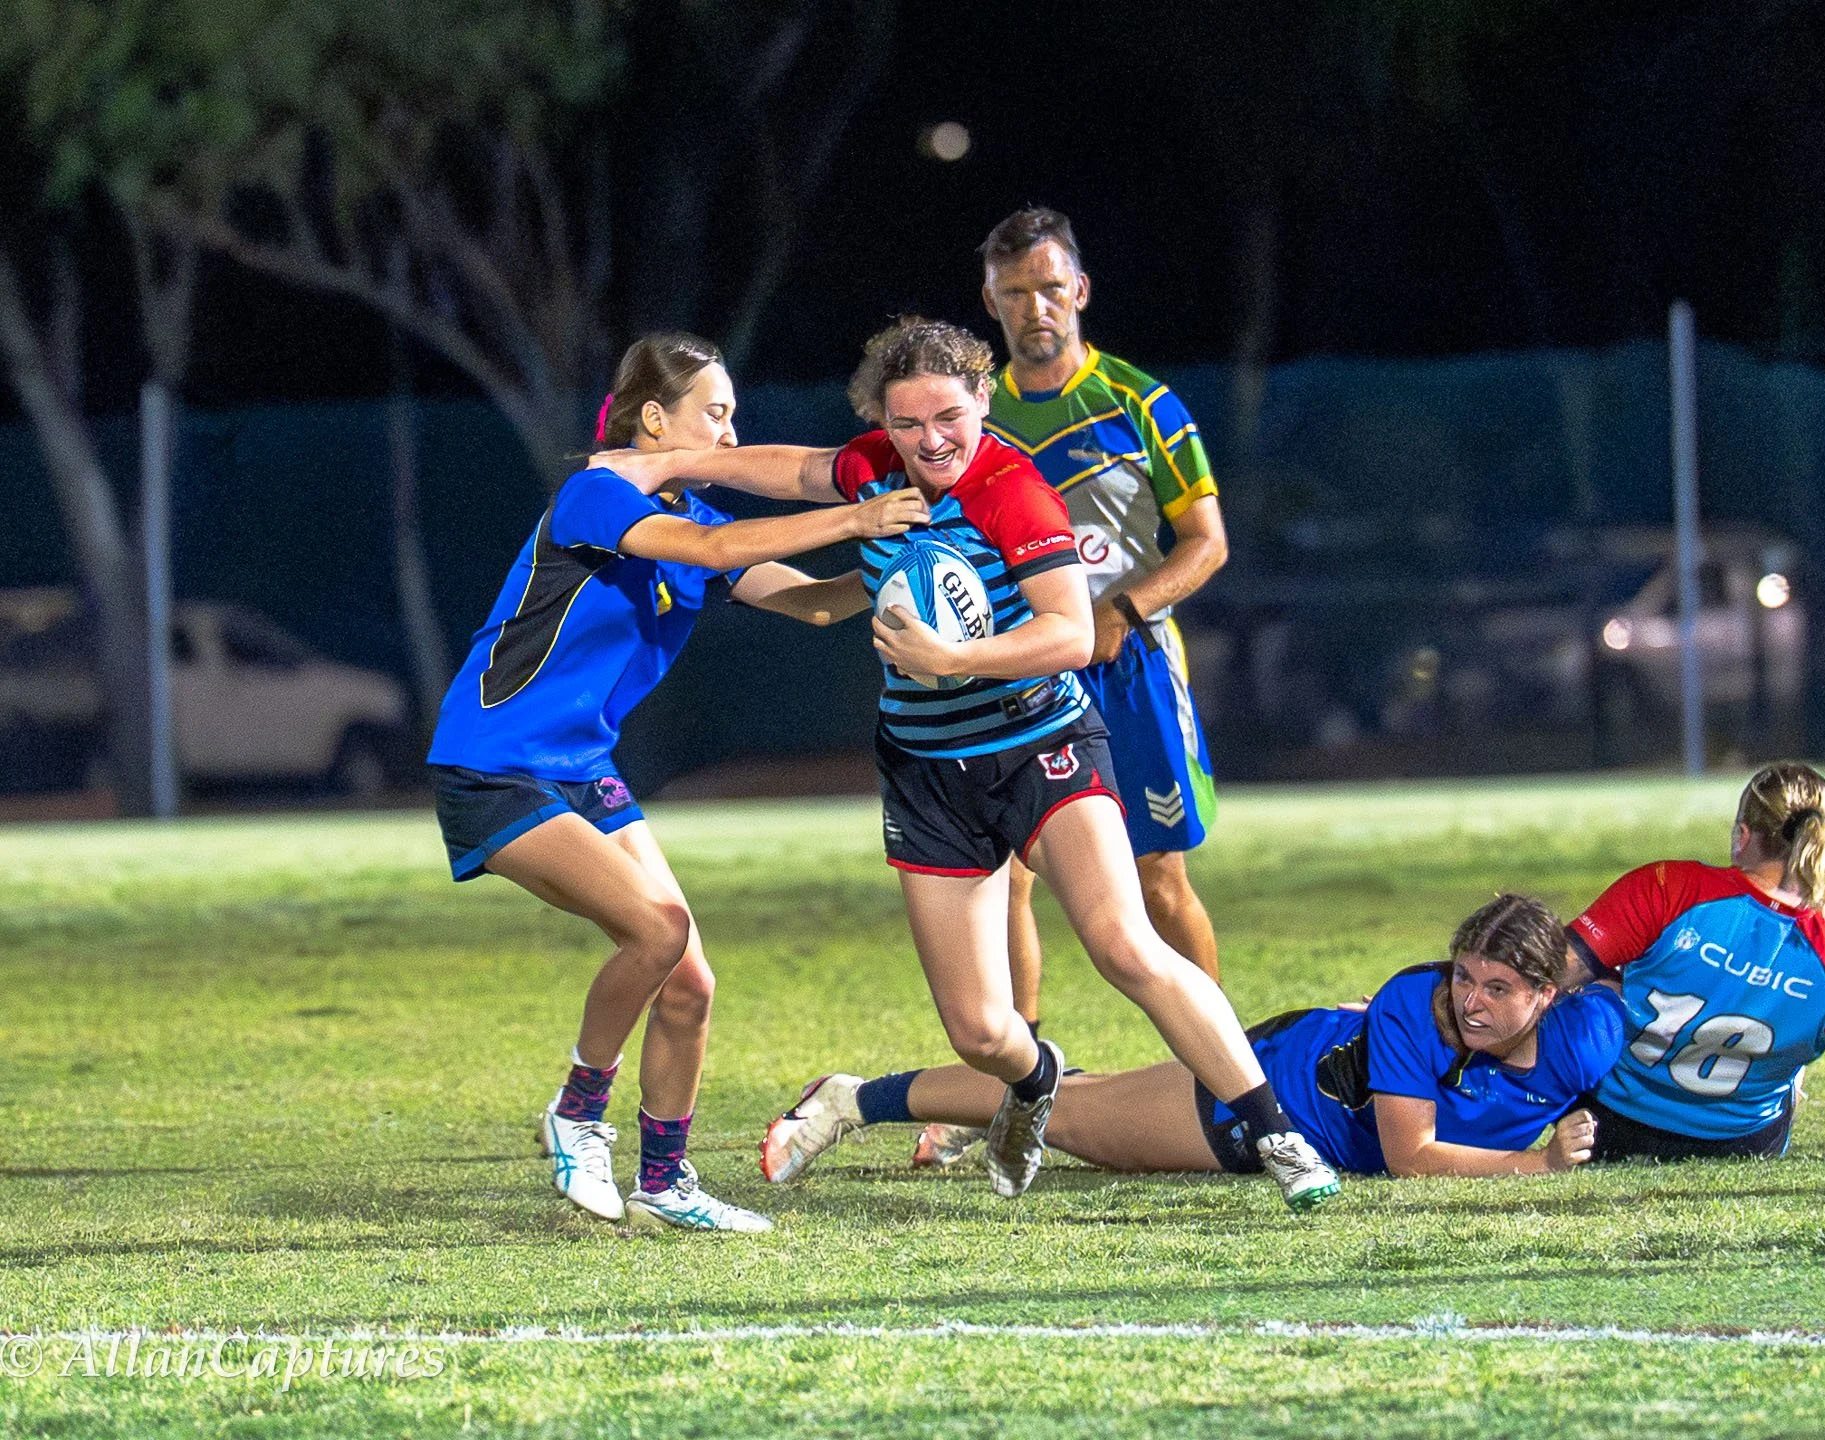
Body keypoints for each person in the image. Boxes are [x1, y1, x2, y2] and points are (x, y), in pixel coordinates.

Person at [589, 316, 1340, 1209]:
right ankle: (1032, 1083)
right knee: (982, 1032)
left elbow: (1067, 634)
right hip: (927, 769)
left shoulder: (1012, 492)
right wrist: (668, 465)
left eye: (949, 415)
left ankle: (1275, 1130)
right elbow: (788, 469)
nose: (931, 440)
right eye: (908, 424)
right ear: (884, 424)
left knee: (1124, 946)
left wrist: (953, 661)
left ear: (983, 399)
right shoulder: (871, 467)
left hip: (1042, 746)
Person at [426, 332, 925, 1231]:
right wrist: (857, 516)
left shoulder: (694, 515)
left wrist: (899, 564)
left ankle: (665, 1180)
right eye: (716, 414)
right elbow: (712, 546)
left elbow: (811, 602)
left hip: (579, 768)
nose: (731, 435)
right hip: (495, 763)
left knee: (691, 979)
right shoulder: (597, 493)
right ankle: (578, 1113)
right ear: (655, 419)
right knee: (656, 932)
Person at [911, 208, 1232, 1169]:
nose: (1034, 309)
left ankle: (1219, 1082)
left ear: (1079, 290)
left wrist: (1119, 615)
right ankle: (1018, 1097)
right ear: (989, 302)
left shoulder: (1142, 403)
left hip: (1126, 670)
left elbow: (1206, 543)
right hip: (1013, 679)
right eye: (1014, 294)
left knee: (1159, 882)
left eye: (1050, 288)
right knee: (1002, 880)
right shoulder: (974, 415)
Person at [761, 894, 1623, 1183]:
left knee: (1082, 1095)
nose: (1469, 1000)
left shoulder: (1584, 1034)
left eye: (1498, 988)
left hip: (1291, 1079)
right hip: (1252, 1106)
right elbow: (1411, 1157)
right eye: (1465, 974)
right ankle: (853, 1099)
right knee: (1066, 1113)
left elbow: (1639, 987)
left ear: (1547, 996)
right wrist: (1536, 1165)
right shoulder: (1413, 1004)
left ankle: (971, 1117)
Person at [1567, 762, 1825, 1161]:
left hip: (1603, 1126)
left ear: (1742, 836)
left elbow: (1543, 976)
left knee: (1597, 990)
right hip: (1740, 1145)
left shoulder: (1669, 887)